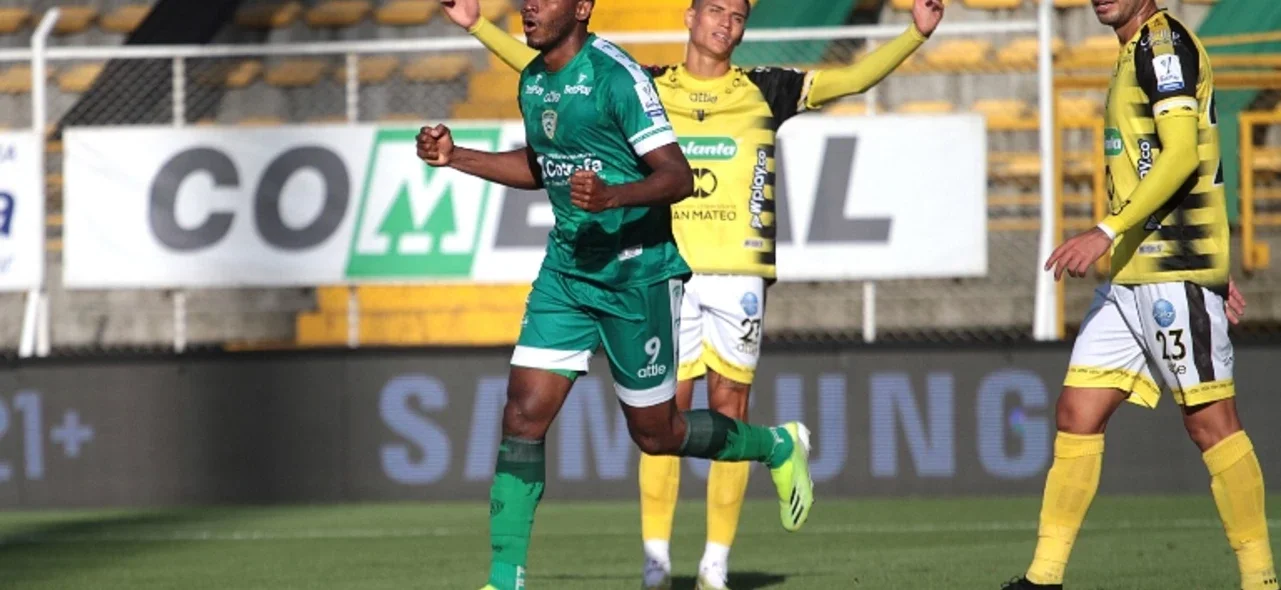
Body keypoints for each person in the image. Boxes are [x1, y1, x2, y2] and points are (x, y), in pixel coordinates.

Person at [438, 0, 942, 587]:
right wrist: (477, 38)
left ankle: (744, 505)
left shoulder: (759, 88)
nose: (724, 23)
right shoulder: (641, 81)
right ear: (689, 16)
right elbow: (551, 100)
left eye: (737, 14)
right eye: (715, 10)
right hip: (578, 270)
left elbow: (846, 81)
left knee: (665, 429)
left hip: (674, 272)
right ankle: (526, 577)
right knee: (533, 416)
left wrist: (914, 34)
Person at [1002, 1, 1275, 589]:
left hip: (1169, 269)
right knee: (1078, 411)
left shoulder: (1163, 46)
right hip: (1132, 274)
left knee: (1211, 423)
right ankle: (1043, 578)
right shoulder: (1136, 49)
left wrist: (1105, 231)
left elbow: (1179, 155)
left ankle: (1261, 579)